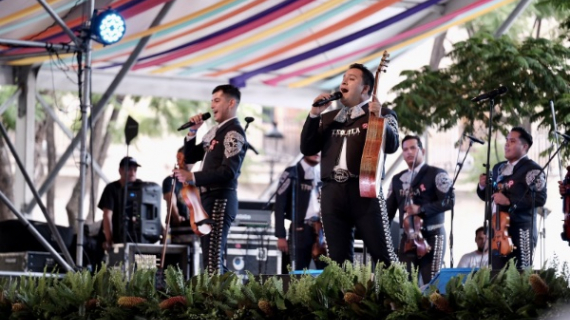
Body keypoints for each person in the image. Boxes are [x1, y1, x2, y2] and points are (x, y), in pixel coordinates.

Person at [300, 63, 399, 267]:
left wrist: (378, 119)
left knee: (383, 257)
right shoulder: (328, 118)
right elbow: (307, 147)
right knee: (338, 262)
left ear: (365, 89)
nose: (344, 81)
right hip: (331, 193)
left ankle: (395, 297)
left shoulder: (383, 114)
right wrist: (313, 114)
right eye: (343, 77)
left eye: (351, 78)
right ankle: (346, 298)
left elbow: (392, 144)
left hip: (365, 191)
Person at [173, 84, 247, 274]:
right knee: (209, 256)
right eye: (211, 101)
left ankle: (219, 300)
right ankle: (214, 297)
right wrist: (193, 132)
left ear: (231, 103)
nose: (212, 105)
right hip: (206, 198)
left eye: (216, 100)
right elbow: (189, 157)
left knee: (213, 257)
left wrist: (193, 176)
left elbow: (228, 172)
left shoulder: (233, 133)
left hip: (220, 198)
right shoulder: (214, 131)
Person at [477, 127, 547, 270]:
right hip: (497, 233)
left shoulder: (532, 169)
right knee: (496, 278)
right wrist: (482, 186)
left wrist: (510, 201)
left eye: (512, 141)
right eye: (507, 140)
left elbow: (540, 199)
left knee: (518, 281)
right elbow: (489, 197)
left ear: (525, 146)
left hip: (521, 232)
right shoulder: (498, 168)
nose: (507, 144)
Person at [386, 135, 452, 284]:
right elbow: (387, 212)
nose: (409, 152)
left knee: (432, 282)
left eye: (413, 148)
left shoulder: (437, 173)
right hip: (408, 238)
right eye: (405, 149)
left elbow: (449, 201)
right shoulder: (397, 179)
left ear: (422, 150)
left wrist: (421, 209)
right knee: (405, 283)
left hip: (432, 235)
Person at [274, 154, 326, 271]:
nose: (317, 153)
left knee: (326, 272)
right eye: (313, 150)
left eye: (319, 150)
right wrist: (281, 235)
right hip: (301, 229)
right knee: (298, 271)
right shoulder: (292, 173)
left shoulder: (324, 172)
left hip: (322, 229)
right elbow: (279, 205)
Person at [98, 156, 142, 251]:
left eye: (135, 170)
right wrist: (109, 240)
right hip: (116, 236)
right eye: (129, 169)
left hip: (136, 237)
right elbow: (107, 215)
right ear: (120, 170)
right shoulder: (111, 188)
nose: (132, 172)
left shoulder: (141, 188)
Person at [162, 147, 189, 227]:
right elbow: (171, 202)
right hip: (176, 226)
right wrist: (177, 217)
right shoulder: (170, 180)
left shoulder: (194, 181)